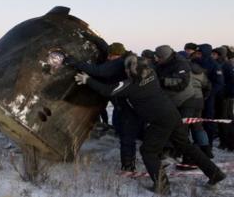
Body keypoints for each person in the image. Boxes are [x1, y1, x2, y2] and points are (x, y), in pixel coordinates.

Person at [74, 56, 226, 195]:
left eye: (127, 69)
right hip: (173, 115)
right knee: (187, 146)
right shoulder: (152, 74)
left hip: (160, 121)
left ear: (131, 71)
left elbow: (108, 90)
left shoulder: (131, 85)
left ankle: (162, 186)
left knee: (148, 151)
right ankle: (215, 173)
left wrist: (88, 80)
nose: (125, 71)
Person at [64, 42, 144, 172]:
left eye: (110, 56)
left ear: (116, 55)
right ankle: (134, 150)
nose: (108, 58)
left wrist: (75, 63)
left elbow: (99, 71)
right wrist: (96, 40)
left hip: (127, 105)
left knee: (127, 136)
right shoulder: (127, 59)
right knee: (123, 128)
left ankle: (128, 168)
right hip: (129, 103)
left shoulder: (118, 63)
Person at [154, 45, 213, 167]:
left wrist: (162, 80)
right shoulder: (165, 64)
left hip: (187, 101)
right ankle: (201, 152)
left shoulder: (181, 65)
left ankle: (191, 158)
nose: (157, 60)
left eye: (159, 58)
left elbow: (181, 83)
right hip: (190, 101)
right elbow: (207, 86)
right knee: (193, 128)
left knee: (183, 131)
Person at [192, 44, 225, 146]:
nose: (197, 55)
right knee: (194, 122)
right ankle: (197, 142)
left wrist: (208, 94)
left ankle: (208, 145)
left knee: (208, 121)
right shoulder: (193, 62)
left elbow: (219, 83)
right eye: (197, 53)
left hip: (208, 98)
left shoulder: (214, 65)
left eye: (199, 53)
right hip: (194, 97)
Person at [211, 47, 234, 151]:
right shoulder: (219, 64)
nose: (213, 56)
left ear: (220, 55)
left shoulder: (226, 65)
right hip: (221, 96)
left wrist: (226, 93)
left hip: (224, 97)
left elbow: (230, 81)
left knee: (224, 119)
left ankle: (227, 142)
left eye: (215, 54)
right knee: (223, 119)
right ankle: (224, 141)